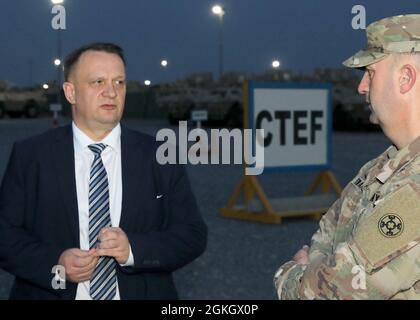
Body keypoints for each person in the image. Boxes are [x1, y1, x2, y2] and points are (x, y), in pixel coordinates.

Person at [0, 43, 207, 300]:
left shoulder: (160, 155)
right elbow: (5, 237)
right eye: (98, 82)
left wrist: (133, 249)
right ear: (70, 92)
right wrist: (56, 264)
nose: (111, 92)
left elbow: (193, 235)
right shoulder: (30, 156)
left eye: (119, 82)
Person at [274, 14, 420, 299]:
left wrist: (289, 276)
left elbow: (335, 292)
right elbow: (327, 235)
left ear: (405, 79)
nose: (361, 87)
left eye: (371, 73)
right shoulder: (381, 167)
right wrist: (323, 268)